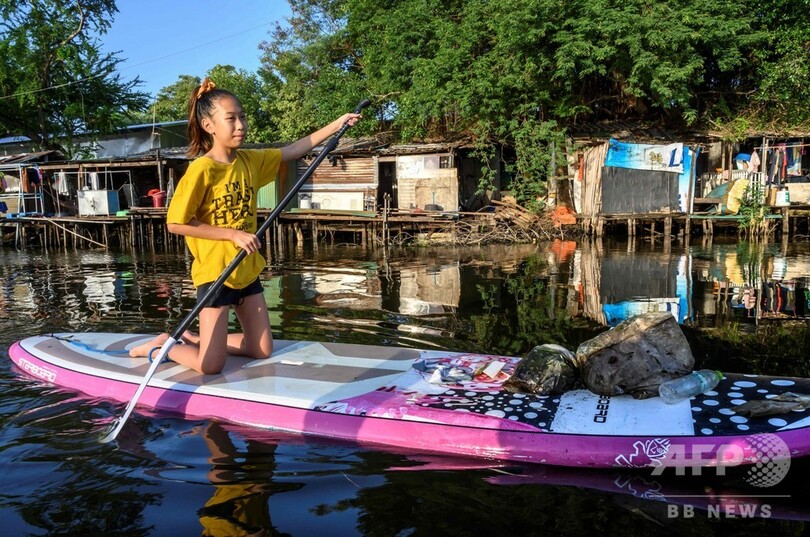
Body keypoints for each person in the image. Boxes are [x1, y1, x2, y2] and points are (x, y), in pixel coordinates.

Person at [130, 78, 361, 374]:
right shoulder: (201, 169)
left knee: (262, 350)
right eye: (231, 118)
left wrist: (337, 124)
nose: (240, 125)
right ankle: (164, 346)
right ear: (208, 125)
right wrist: (232, 234)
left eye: (242, 116)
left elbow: (293, 150)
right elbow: (176, 223)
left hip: (246, 269)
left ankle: (194, 338)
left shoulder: (249, 161)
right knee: (210, 366)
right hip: (217, 273)